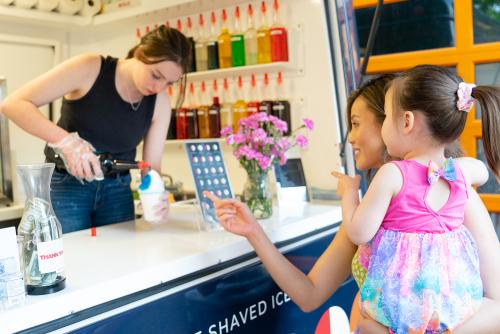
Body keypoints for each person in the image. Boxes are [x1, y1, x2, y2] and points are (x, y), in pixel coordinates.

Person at [204, 73, 500, 333]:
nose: (350, 138)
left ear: (398, 122)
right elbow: (309, 295)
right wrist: (254, 232)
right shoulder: (369, 212)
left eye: (356, 124)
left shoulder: (456, 196)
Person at [334, 65, 500, 333]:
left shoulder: (393, 174)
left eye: (386, 117)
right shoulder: (460, 173)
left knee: (365, 326)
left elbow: (358, 231)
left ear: (407, 121)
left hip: (401, 308)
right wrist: (463, 170)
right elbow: (480, 172)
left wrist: (350, 194)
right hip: (454, 307)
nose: (385, 125)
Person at [0, 25, 191, 233]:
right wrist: (67, 142)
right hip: (67, 185)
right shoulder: (89, 68)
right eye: (156, 75)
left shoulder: (160, 102)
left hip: (117, 190)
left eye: (169, 83)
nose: (159, 88)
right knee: (69, 258)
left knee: (119, 259)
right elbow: (14, 104)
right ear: (140, 53)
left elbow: (151, 166)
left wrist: (157, 194)